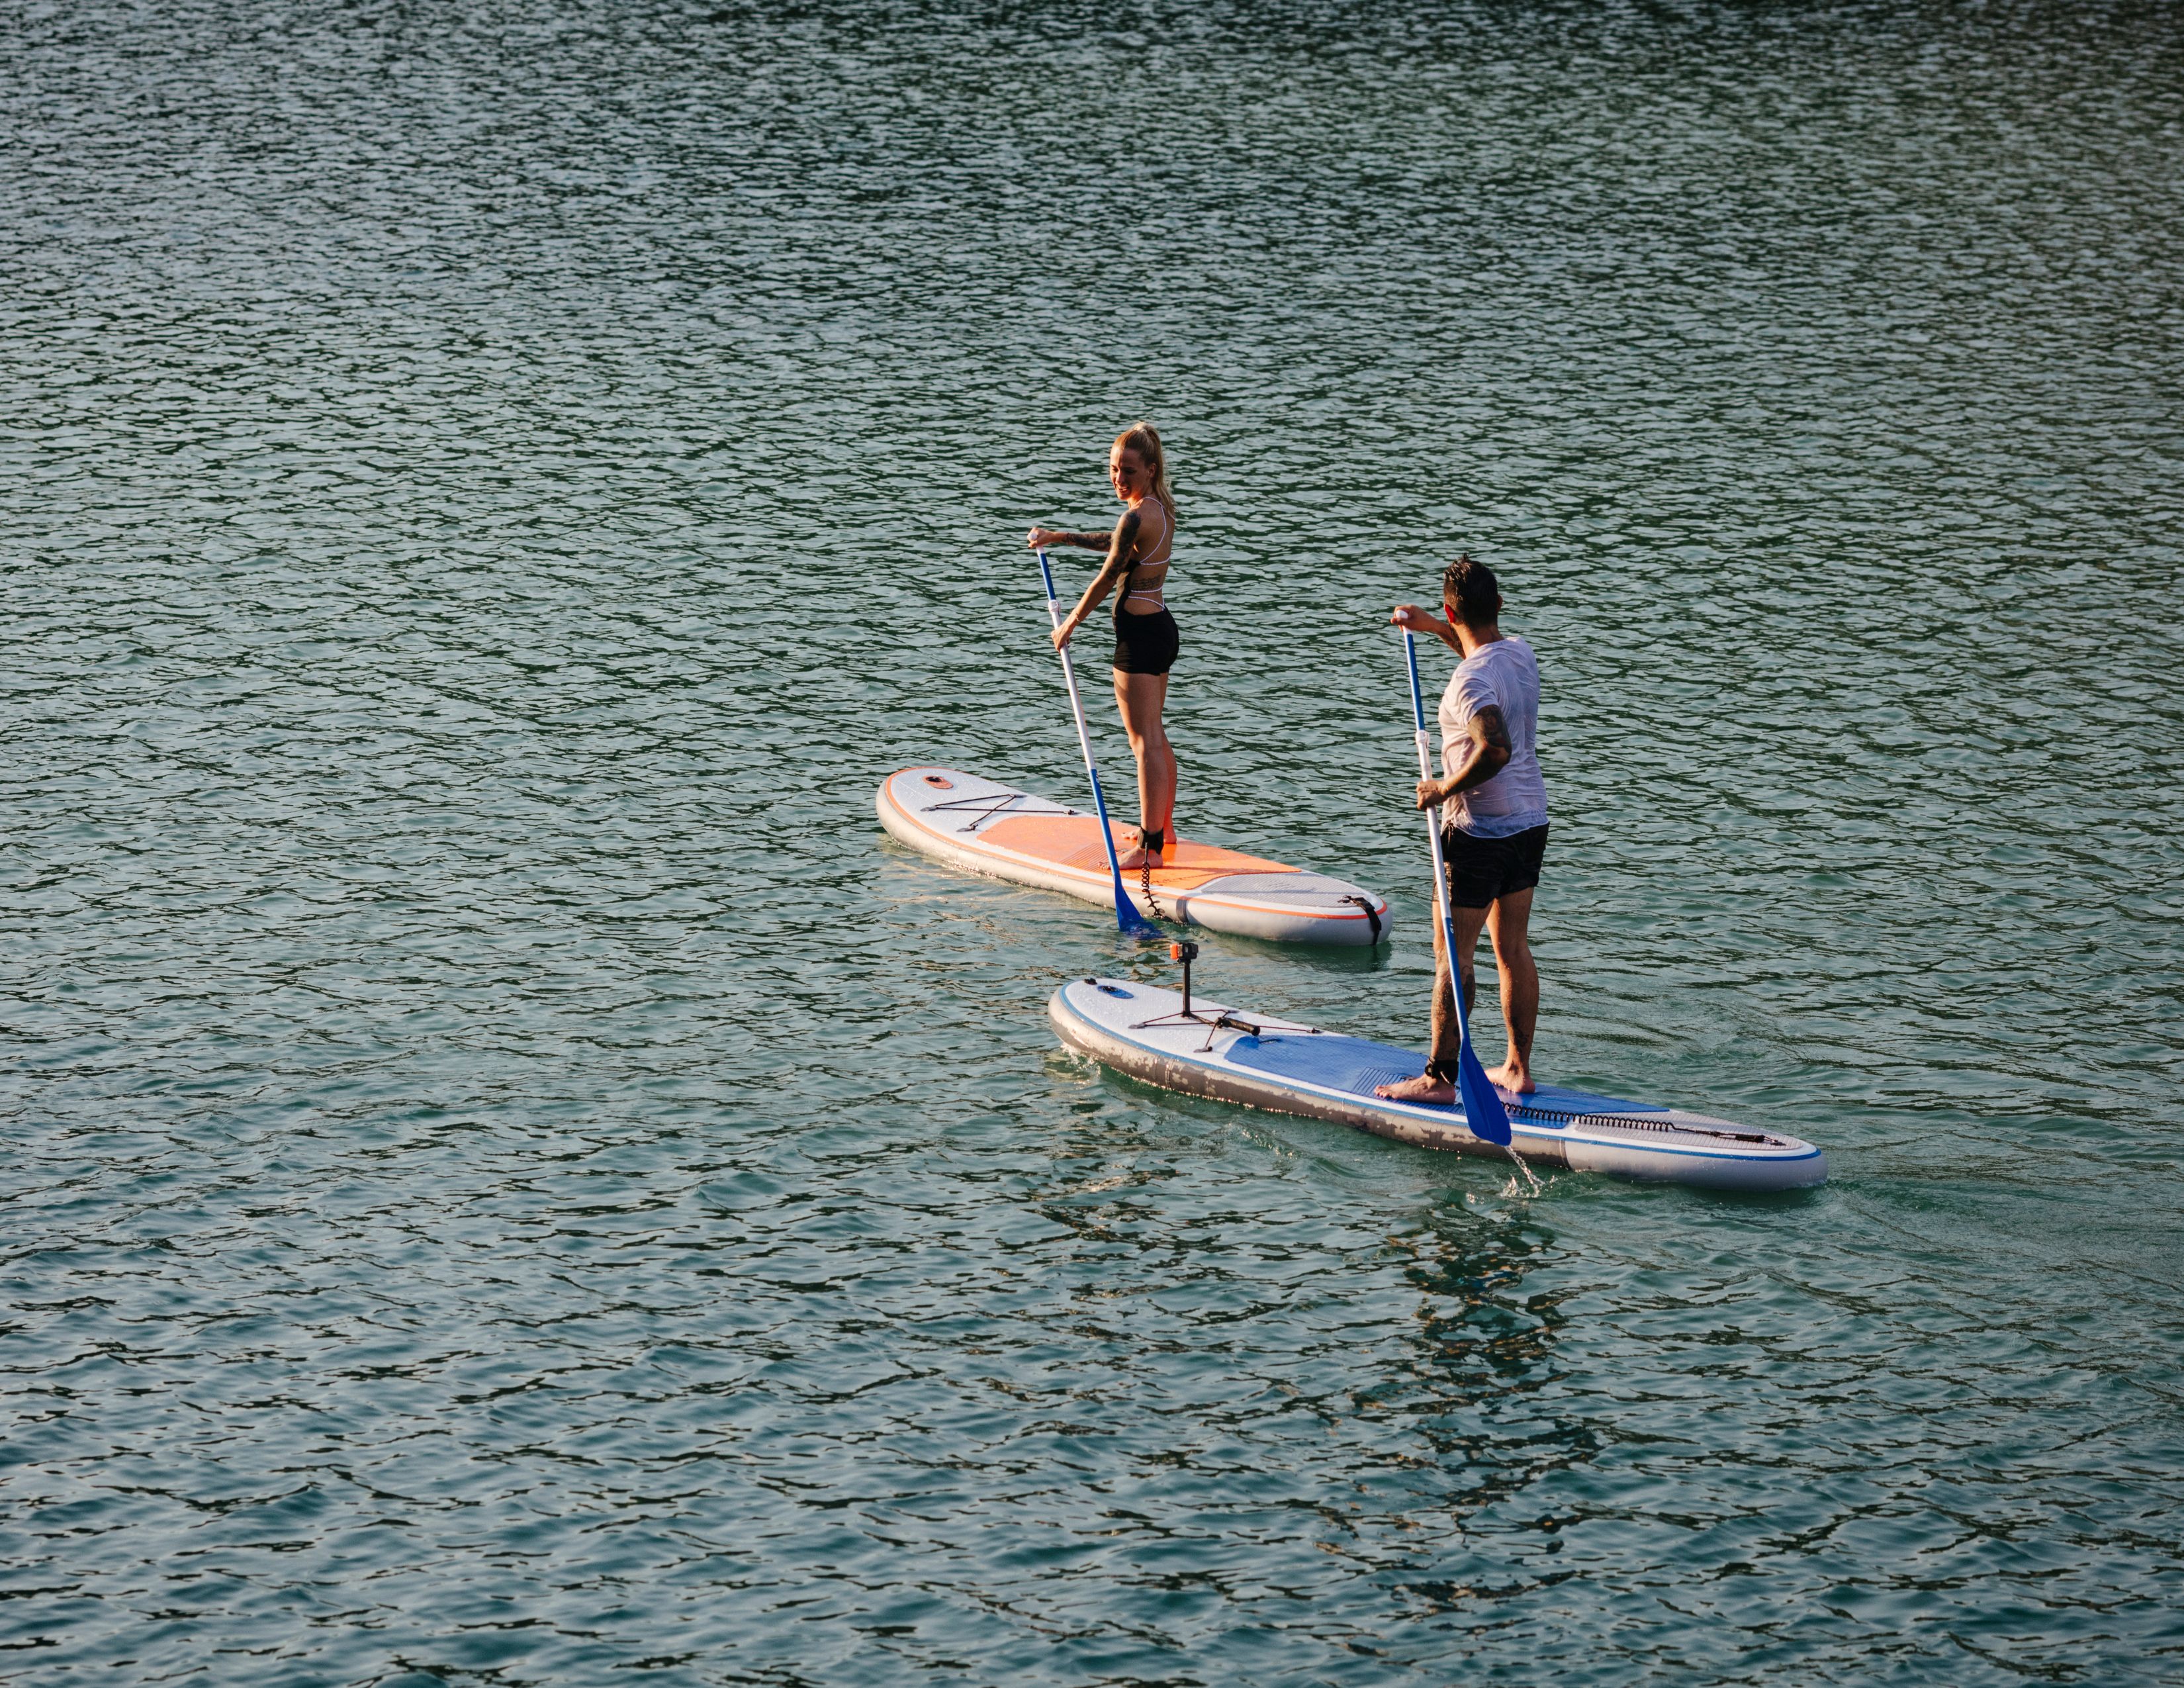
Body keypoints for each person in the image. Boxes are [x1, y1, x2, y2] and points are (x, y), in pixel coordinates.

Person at [1376, 555, 1549, 1101]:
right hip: (1529, 823)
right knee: (1513, 948)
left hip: (1477, 832)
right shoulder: (1518, 653)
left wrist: (1441, 790)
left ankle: (1439, 1079)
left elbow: (1496, 748)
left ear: (1454, 608)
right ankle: (1517, 1068)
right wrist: (1432, 627)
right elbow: (1479, 656)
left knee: (1455, 955)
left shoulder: (1467, 686)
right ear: (1498, 605)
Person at [1027, 422, 1179, 869]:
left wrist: (1070, 623)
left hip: (1140, 641)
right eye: (1113, 469)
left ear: (1150, 470)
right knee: (1156, 736)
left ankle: (1150, 848)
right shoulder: (1159, 507)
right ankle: (1162, 829)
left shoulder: (1136, 515)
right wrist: (1061, 537)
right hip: (1161, 631)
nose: (1118, 479)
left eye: (1128, 471)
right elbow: (1117, 545)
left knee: (1143, 741)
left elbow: (1110, 572)